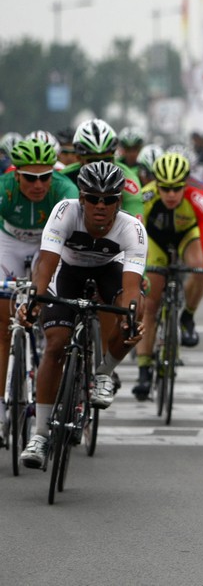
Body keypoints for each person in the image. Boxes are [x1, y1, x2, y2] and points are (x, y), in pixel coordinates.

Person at [19, 162, 146, 468]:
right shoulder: (65, 212)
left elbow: (130, 288)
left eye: (108, 199)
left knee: (135, 312)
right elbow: (46, 266)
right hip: (67, 271)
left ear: (118, 201)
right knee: (55, 344)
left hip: (108, 270)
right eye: (92, 198)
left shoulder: (132, 229)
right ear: (81, 198)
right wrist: (35, 302)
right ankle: (40, 435)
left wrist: (129, 318)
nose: (100, 205)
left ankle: (104, 372)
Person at [0, 138, 78, 444]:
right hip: (10, 244)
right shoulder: (4, 188)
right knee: (3, 328)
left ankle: (46, 350)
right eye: (30, 178)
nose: (38, 185)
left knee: (47, 301)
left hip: (49, 243)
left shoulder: (64, 190)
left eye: (45, 177)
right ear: (16, 173)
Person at [132, 153, 203, 400]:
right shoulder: (145, 197)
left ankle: (187, 317)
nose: (171, 194)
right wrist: (139, 271)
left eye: (176, 188)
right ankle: (143, 369)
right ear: (156, 184)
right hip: (155, 240)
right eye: (165, 188)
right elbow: (134, 235)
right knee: (151, 304)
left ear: (186, 184)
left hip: (186, 237)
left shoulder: (198, 198)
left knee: (199, 266)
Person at [62, 119, 143, 221]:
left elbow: (136, 222)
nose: (101, 166)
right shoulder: (64, 178)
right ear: (78, 158)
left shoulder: (128, 179)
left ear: (114, 157)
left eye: (106, 160)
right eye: (93, 161)